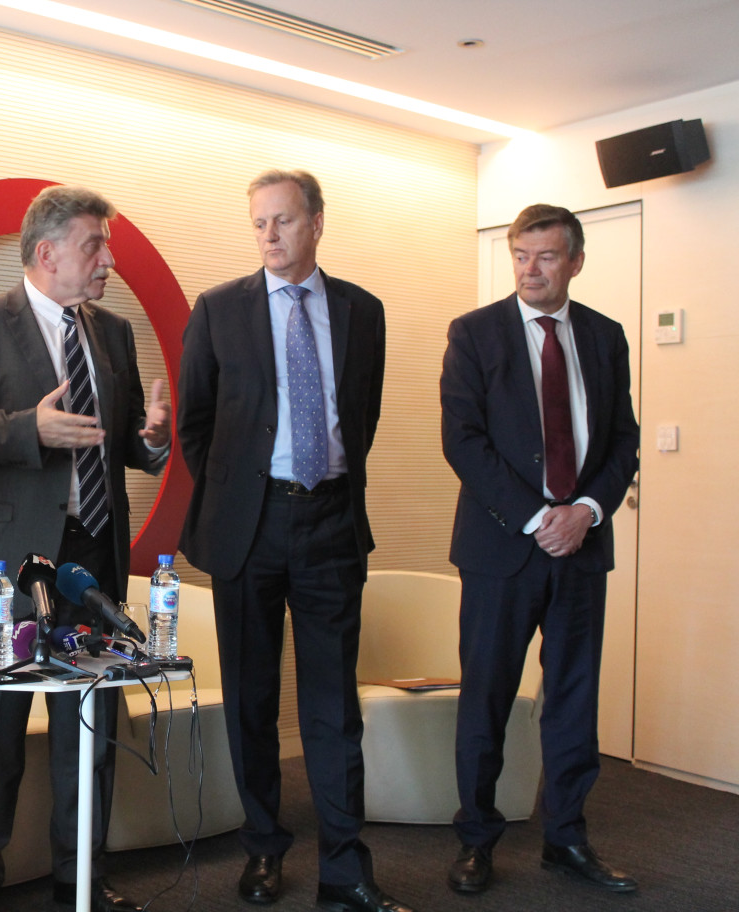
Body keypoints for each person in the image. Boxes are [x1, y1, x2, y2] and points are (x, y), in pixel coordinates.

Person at [0, 185, 170, 912]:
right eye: (96, 245)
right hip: (9, 565)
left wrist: (151, 440)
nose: (109, 261)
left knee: (90, 726)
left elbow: (121, 439)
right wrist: (28, 429)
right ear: (47, 252)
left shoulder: (115, 333)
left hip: (92, 558)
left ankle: (82, 877)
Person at [178, 170, 414, 912]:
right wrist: (246, 494)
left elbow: (361, 417)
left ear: (316, 222)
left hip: (332, 522)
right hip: (249, 527)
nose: (269, 235)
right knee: (251, 698)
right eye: (258, 224)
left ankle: (345, 868)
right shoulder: (218, 310)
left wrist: (323, 485)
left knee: (331, 703)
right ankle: (263, 850)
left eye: (283, 220)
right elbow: (197, 428)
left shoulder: (361, 311)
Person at [441, 204, 640, 895]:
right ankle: (476, 839)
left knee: (574, 700)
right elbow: (463, 441)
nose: (530, 268)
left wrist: (584, 511)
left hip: (583, 550)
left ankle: (567, 838)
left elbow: (623, 441)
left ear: (575, 261)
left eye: (546, 256)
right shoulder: (474, 334)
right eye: (520, 254)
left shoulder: (606, 337)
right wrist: (538, 518)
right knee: (487, 698)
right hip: (502, 550)